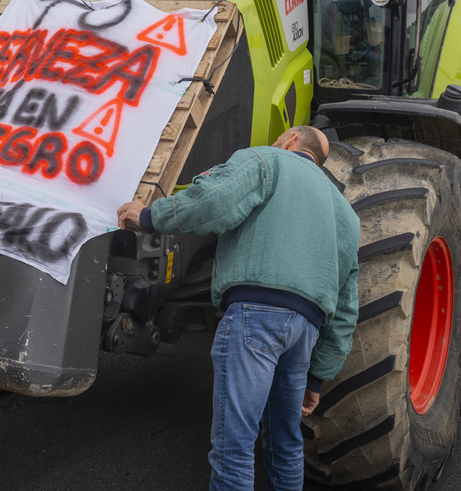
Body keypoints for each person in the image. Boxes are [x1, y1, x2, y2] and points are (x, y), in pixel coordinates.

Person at [116, 126, 359, 491]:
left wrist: (148, 216)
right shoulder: (345, 213)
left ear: (291, 140)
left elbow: (212, 202)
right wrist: (317, 377)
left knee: (235, 444)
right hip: (305, 331)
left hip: (256, 315)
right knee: (285, 442)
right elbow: (345, 307)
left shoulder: (265, 160)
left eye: (281, 137)